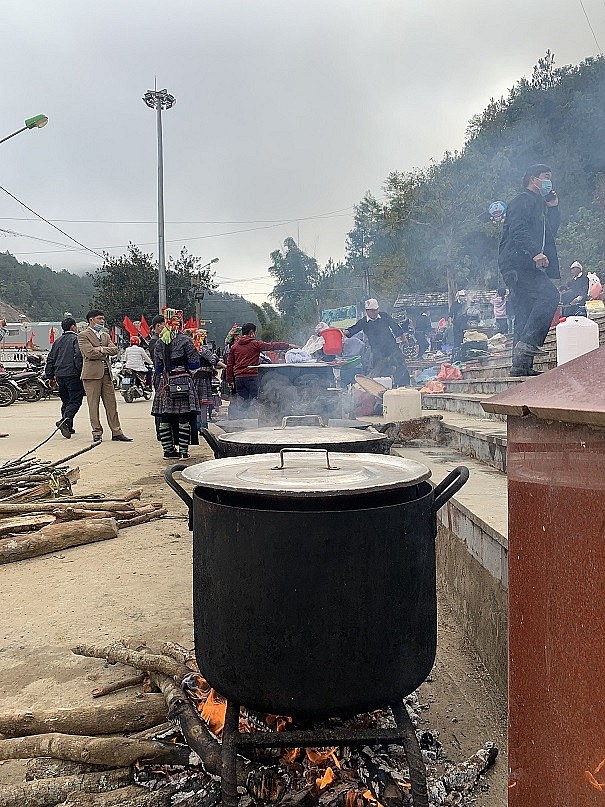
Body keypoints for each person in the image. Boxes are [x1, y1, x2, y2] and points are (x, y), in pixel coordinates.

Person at [498, 164, 561, 376]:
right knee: (550, 296)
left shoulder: (538, 204)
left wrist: (553, 207)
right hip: (518, 264)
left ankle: (520, 366)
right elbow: (518, 230)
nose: (548, 182)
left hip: (525, 263)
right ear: (533, 179)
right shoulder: (521, 201)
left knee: (524, 310)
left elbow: (550, 233)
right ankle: (527, 345)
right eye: (545, 177)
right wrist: (535, 252)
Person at [152, 309, 201, 459]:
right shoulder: (186, 340)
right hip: (183, 380)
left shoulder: (159, 342)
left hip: (165, 382)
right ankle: (184, 452)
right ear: (179, 323)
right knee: (183, 415)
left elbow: (158, 367)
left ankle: (167, 451)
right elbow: (194, 365)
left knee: (165, 415)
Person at [78, 310, 132, 443]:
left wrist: (101, 349)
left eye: (103, 319)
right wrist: (103, 351)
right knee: (93, 405)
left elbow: (114, 350)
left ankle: (116, 431)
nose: (102, 321)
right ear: (91, 320)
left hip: (107, 374)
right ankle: (97, 432)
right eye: (99, 319)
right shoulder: (83, 335)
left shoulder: (105, 336)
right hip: (91, 375)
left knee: (111, 404)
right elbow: (89, 353)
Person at [343, 299, 410, 387]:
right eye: (373, 311)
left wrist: (404, 339)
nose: (375, 312)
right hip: (377, 352)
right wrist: (341, 332)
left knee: (401, 366)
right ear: (367, 311)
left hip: (392, 347)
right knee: (380, 373)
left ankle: (404, 386)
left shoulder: (384, 316)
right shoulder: (363, 322)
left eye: (376, 310)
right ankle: (383, 389)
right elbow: (352, 330)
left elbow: (395, 327)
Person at [225, 323, 294, 407]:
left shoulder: (234, 346)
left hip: (238, 378)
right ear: (251, 332)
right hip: (251, 377)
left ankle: (243, 417)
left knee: (244, 401)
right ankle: (253, 418)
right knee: (254, 400)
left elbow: (230, 364)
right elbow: (271, 346)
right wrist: (288, 345)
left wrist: (229, 380)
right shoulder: (255, 344)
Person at [44, 316, 84, 439]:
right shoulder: (76, 339)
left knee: (65, 401)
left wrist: (50, 375)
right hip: (73, 374)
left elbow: (50, 359)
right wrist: (80, 371)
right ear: (73, 327)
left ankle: (68, 426)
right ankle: (65, 421)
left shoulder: (58, 341)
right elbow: (78, 356)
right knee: (75, 400)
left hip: (59, 375)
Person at [194, 329, 225, 430]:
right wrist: (226, 366)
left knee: (197, 403)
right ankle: (203, 426)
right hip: (203, 379)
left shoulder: (192, 348)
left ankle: (198, 425)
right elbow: (213, 360)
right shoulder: (202, 349)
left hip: (195, 378)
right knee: (203, 404)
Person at [449, 290, 468, 360]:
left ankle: (464, 355)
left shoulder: (466, 304)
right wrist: (451, 321)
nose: (463, 297)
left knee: (464, 340)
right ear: (458, 297)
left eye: (464, 296)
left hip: (464, 325)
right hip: (457, 325)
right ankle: (456, 356)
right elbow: (451, 314)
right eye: (461, 296)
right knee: (457, 341)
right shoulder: (454, 304)